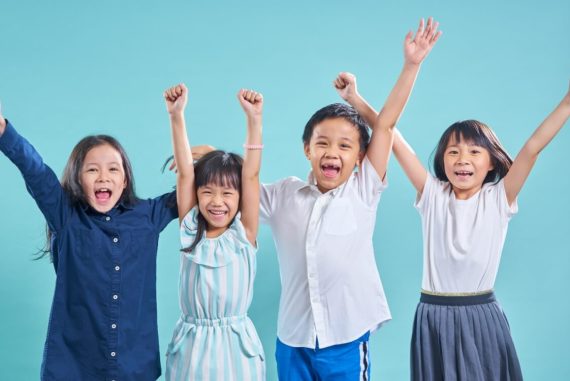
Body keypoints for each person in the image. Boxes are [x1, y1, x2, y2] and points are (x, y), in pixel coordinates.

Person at [340, 67, 570, 380]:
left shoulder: (499, 197)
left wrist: (567, 103)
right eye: (453, 151)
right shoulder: (433, 193)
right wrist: (354, 98)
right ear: (442, 160)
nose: (462, 159)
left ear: (491, 163)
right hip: (433, 315)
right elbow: (391, 135)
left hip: (482, 315)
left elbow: (532, 148)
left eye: (475, 151)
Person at [261, 18, 441, 380]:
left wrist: (411, 65)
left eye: (345, 146)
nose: (333, 152)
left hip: (344, 337)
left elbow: (386, 126)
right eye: (323, 144)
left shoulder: (363, 189)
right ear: (307, 149)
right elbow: (239, 185)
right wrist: (203, 158)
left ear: (360, 157)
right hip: (292, 338)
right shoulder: (283, 193)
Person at [0, 105, 178, 380]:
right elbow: (36, 171)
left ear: (125, 178)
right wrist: (4, 132)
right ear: (77, 179)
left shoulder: (147, 216)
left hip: (134, 366)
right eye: (92, 170)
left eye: (113, 170)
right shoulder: (66, 217)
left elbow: (192, 194)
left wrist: (198, 157)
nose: (103, 177)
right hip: (75, 367)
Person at [163, 84, 266, 380]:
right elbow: (185, 172)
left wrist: (254, 121)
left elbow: (252, 174)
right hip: (192, 344)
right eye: (207, 192)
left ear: (240, 198)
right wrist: (176, 115)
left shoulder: (243, 233)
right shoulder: (190, 226)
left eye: (227, 194)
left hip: (235, 346)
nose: (216, 202)